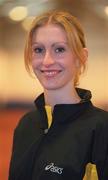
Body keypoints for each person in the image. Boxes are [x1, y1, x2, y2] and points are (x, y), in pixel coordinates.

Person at [8, 10, 108, 180]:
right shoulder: (26, 125)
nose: (47, 61)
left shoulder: (101, 128)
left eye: (59, 49)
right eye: (38, 49)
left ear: (81, 57)